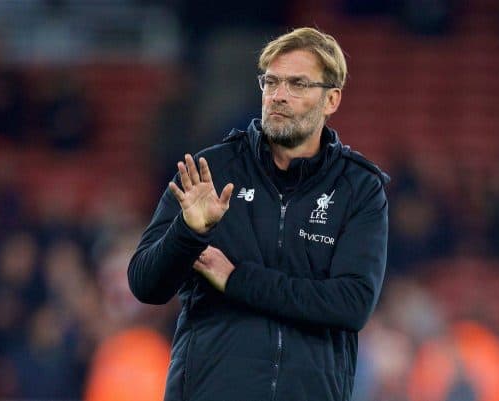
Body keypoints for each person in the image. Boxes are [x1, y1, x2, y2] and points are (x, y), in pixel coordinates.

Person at [128, 27, 389, 401]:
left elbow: (351, 305)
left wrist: (237, 280)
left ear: (331, 99)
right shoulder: (210, 171)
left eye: (297, 84)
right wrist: (187, 232)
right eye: (271, 82)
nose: (279, 96)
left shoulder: (359, 188)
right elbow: (145, 285)